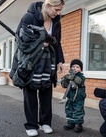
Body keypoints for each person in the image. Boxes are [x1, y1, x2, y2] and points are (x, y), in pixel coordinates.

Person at [9, 0, 65, 136]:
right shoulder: (29, 17)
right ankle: (31, 125)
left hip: (48, 62)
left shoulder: (56, 22)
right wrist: (41, 43)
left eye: (60, 10)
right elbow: (20, 40)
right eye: (56, 9)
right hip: (31, 62)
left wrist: (59, 61)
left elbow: (57, 43)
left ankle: (45, 123)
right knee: (30, 93)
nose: (58, 13)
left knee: (46, 91)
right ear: (48, 5)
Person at [60, 59, 86, 133]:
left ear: (81, 69)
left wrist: (72, 77)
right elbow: (64, 85)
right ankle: (71, 123)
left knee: (78, 111)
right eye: (73, 66)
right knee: (69, 109)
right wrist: (65, 79)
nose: (74, 68)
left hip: (79, 98)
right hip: (70, 98)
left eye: (77, 67)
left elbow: (79, 81)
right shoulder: (68, 76)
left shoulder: (81, 76)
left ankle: (78, 124)